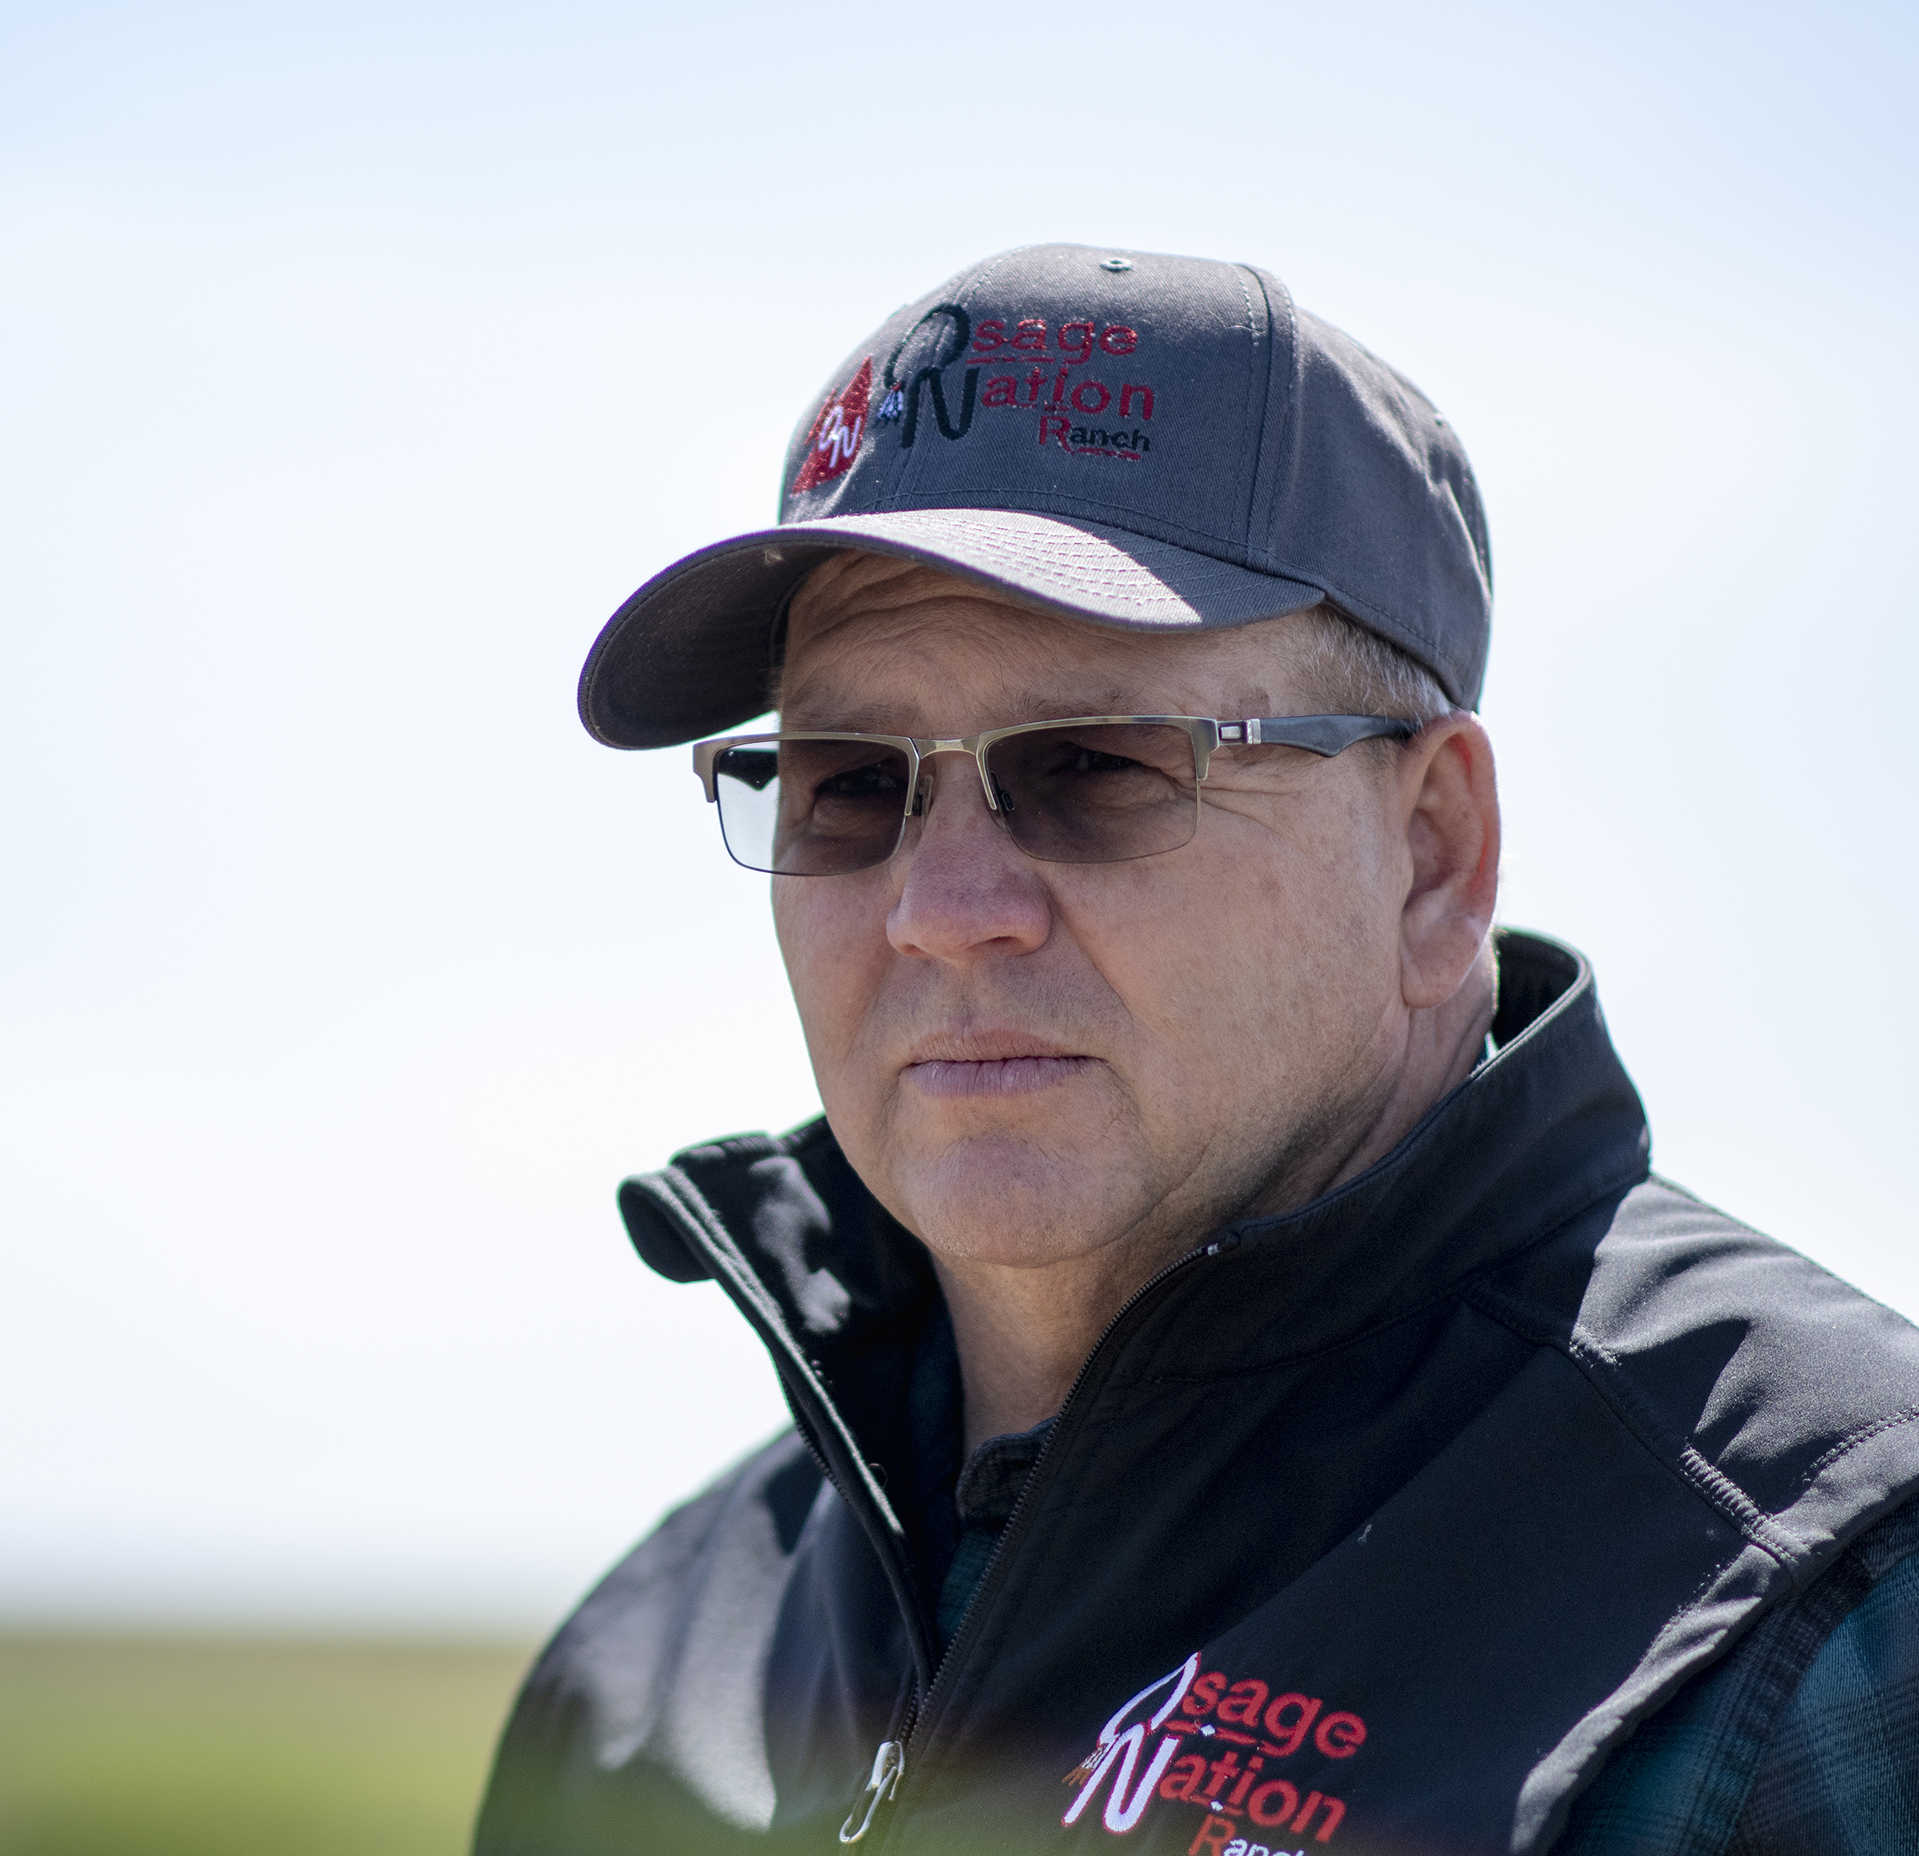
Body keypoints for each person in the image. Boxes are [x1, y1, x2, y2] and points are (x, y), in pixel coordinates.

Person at [474, 244, 1919, 1856]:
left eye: (1092, 763)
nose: (941, 910)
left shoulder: (1825, 1607)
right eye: (850, 785)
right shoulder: (649, 1672)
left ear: (1433, 853)